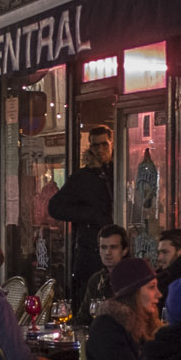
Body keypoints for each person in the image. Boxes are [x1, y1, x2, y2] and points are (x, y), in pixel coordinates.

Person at [48, 125, 115, 299]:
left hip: (115, 247)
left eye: (104, 145)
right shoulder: (83, 177)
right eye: (95, 146)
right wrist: (89, 215)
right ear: (90, 147)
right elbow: (55, 207)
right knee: (89, 295)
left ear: (112, 143)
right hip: (90, 250)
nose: (100, 149)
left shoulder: (119, 172)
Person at [72, 224, 130, 325]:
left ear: (124, 251)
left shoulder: (133, 278)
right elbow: (82, 318)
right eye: (103, 247)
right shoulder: (96, 280)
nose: (107, 252)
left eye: (113, 247)